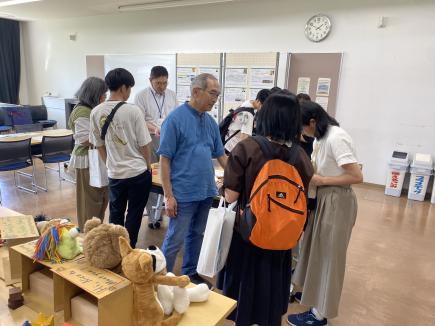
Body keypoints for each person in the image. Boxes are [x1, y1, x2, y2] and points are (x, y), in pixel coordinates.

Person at [218, 92, 314, 326]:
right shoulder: (300, 156)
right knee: (270, 290)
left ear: (265, 116)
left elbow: (231, 195)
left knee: (245, 287)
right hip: (283, 236)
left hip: (249, 234)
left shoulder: (247, 148)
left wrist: (221, 187)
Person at [287, 101, 363, 326]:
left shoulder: (336, 138)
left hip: (336, 200)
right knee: (317, 252)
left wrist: (321, 180)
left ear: (312, 122)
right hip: (323, 198)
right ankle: (314, 298)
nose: (302, 133)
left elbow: (357, 175)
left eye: (302, 127)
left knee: (330, 257)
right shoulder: (322, 137)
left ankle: (320, 315)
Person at [158, 73, 227, 287]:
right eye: (213, 94)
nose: (215, 99)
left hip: (206, 191)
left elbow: (221, 155)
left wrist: (238, 176)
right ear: (196, 92)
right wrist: (168, 196)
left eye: (218, 94)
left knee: (197, 234)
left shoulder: (210, 122)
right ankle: (162, 278)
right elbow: (164, 160)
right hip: (183, 192)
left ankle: (190, 272)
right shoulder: (175, 119)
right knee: (174, 239)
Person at [90, 68, 153, 248]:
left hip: (115, 173)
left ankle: (114, 249)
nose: (129, 92)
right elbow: (144, 144)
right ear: (124, 87)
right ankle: (128, 249)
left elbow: (98, 144)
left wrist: (109, 164)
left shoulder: (96, 111)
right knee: (134, 214)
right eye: (129, 88)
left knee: (116, 213)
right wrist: (148, 165)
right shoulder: (133, 111)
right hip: (137, 172)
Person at [134, 66, 177, 227]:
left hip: (169, 140)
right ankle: (154, 216)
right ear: (150, 80)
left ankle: (169, 207)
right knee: (152, 176)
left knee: (169, 175)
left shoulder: (172, 95)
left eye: (165, 83)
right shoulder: (141, 96)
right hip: (150, 139)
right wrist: (155, 128)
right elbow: (139, 120)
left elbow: (176, 117)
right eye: (158, 83)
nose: (162, 86)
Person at [68, 77, 109, 231]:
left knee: (101, 198)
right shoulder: (82, 111)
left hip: (96, 159)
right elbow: (84, 139)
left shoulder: (90, 109)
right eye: (103, 95)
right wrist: (108, 137)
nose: (104, 98)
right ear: (94, 94)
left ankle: (95, 233)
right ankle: (88, 236)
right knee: (90, 202)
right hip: (87, 160)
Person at [224, 88, 271, 153]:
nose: (265, 110)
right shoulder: (248, 115)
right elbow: (244, 138)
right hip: (233, 149)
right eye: (264, 107)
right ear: (258, 102)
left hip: (228, 144)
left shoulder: (246, 104)